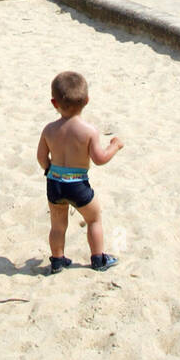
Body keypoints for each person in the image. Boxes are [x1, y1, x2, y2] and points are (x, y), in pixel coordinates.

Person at [36, 71, 124, 275]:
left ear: (54, 102)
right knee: (93, 219)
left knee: (58, 226)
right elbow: (99, 159)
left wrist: (49, 169)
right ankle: (98, 259)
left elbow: (41, 157)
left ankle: (57, 260)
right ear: (87, 100)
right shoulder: (89, 131)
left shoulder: (49, 129)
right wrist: (115, 146)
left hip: (55, 183)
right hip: (78, 184)